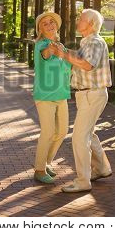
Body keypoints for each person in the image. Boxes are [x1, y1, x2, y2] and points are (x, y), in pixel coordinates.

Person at [53, 9, 112, 193]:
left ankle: (83, 181)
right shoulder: (87, 42)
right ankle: (102, 168)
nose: (78, 21)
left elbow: (87, 64)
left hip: (91, 95)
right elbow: (79, 60)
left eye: (81, 19)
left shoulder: (94, 42)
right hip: (87, 95)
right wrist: (64, 52)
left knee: (79, 138)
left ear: (91, 24)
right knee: (88, 134)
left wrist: (64, 54)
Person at [32, 12, 71, 184]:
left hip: (61, 94)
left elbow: (69, 65)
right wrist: (52, 50)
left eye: (52, 22)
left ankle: (47, 162)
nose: (49, 25)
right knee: (48, 132)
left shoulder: (61, 45)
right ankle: (39, 170)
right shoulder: (40, 45)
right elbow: (45, 54)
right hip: (45, 95)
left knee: (62, 131)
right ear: (40, 28)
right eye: (45, 23)